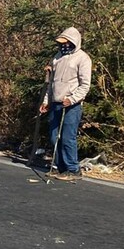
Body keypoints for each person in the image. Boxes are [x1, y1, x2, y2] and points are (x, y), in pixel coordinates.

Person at [39, 27, 92, 181]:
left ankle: (73, 169)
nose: (63, 45)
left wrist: (73, 99)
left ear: (73, 42)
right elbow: (52, 84)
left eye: (66, 43)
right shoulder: (57, 57)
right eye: (61, 43)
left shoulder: (83, 59)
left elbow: (85, 85)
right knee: (54, 137)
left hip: (71, 105)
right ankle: (60, 168)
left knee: (68, 138)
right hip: (56, 103)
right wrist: (46, 102)